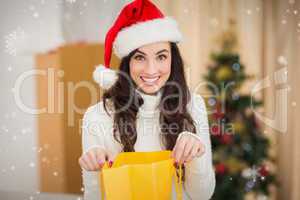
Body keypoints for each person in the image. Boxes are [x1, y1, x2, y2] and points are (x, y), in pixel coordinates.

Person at [78, 0, 215, 199]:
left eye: (161, 56)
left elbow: (202, 195)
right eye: (140, 57)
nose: (151, 70)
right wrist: (94, 170)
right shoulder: (98, 116)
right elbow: (94, 197)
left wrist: (196, 156)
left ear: (172, 59)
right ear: (127, 62)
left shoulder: (193, 106)